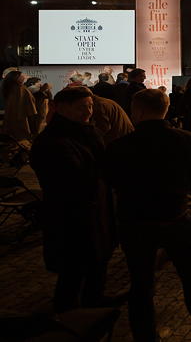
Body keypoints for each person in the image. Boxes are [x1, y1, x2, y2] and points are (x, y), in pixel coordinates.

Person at [104, 89, 191, 341]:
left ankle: (145, 334)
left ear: (137, 111)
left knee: (141, 282)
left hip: (135, 221)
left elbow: (110, 180)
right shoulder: (186, 139)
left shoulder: (119, 146)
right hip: (174, 216)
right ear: (166, 108)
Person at [30, 86, 115, 312]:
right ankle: (66, 314)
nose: (87, 112)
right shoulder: (52, 142)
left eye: (89, 106)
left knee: (97, 261)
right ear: (60, 108)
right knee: (73, 268)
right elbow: (74, 178)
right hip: (70, 215)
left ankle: (93, 300)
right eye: (81, 108)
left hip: (95, 209)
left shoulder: (87, 132)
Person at [2, 70, 37, 142]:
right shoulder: (21, 89)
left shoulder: (9, 88)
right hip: (22, 120)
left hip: (11, 120)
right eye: (22, 75)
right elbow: (30, 108)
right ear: (17, 78)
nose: (25, 77)